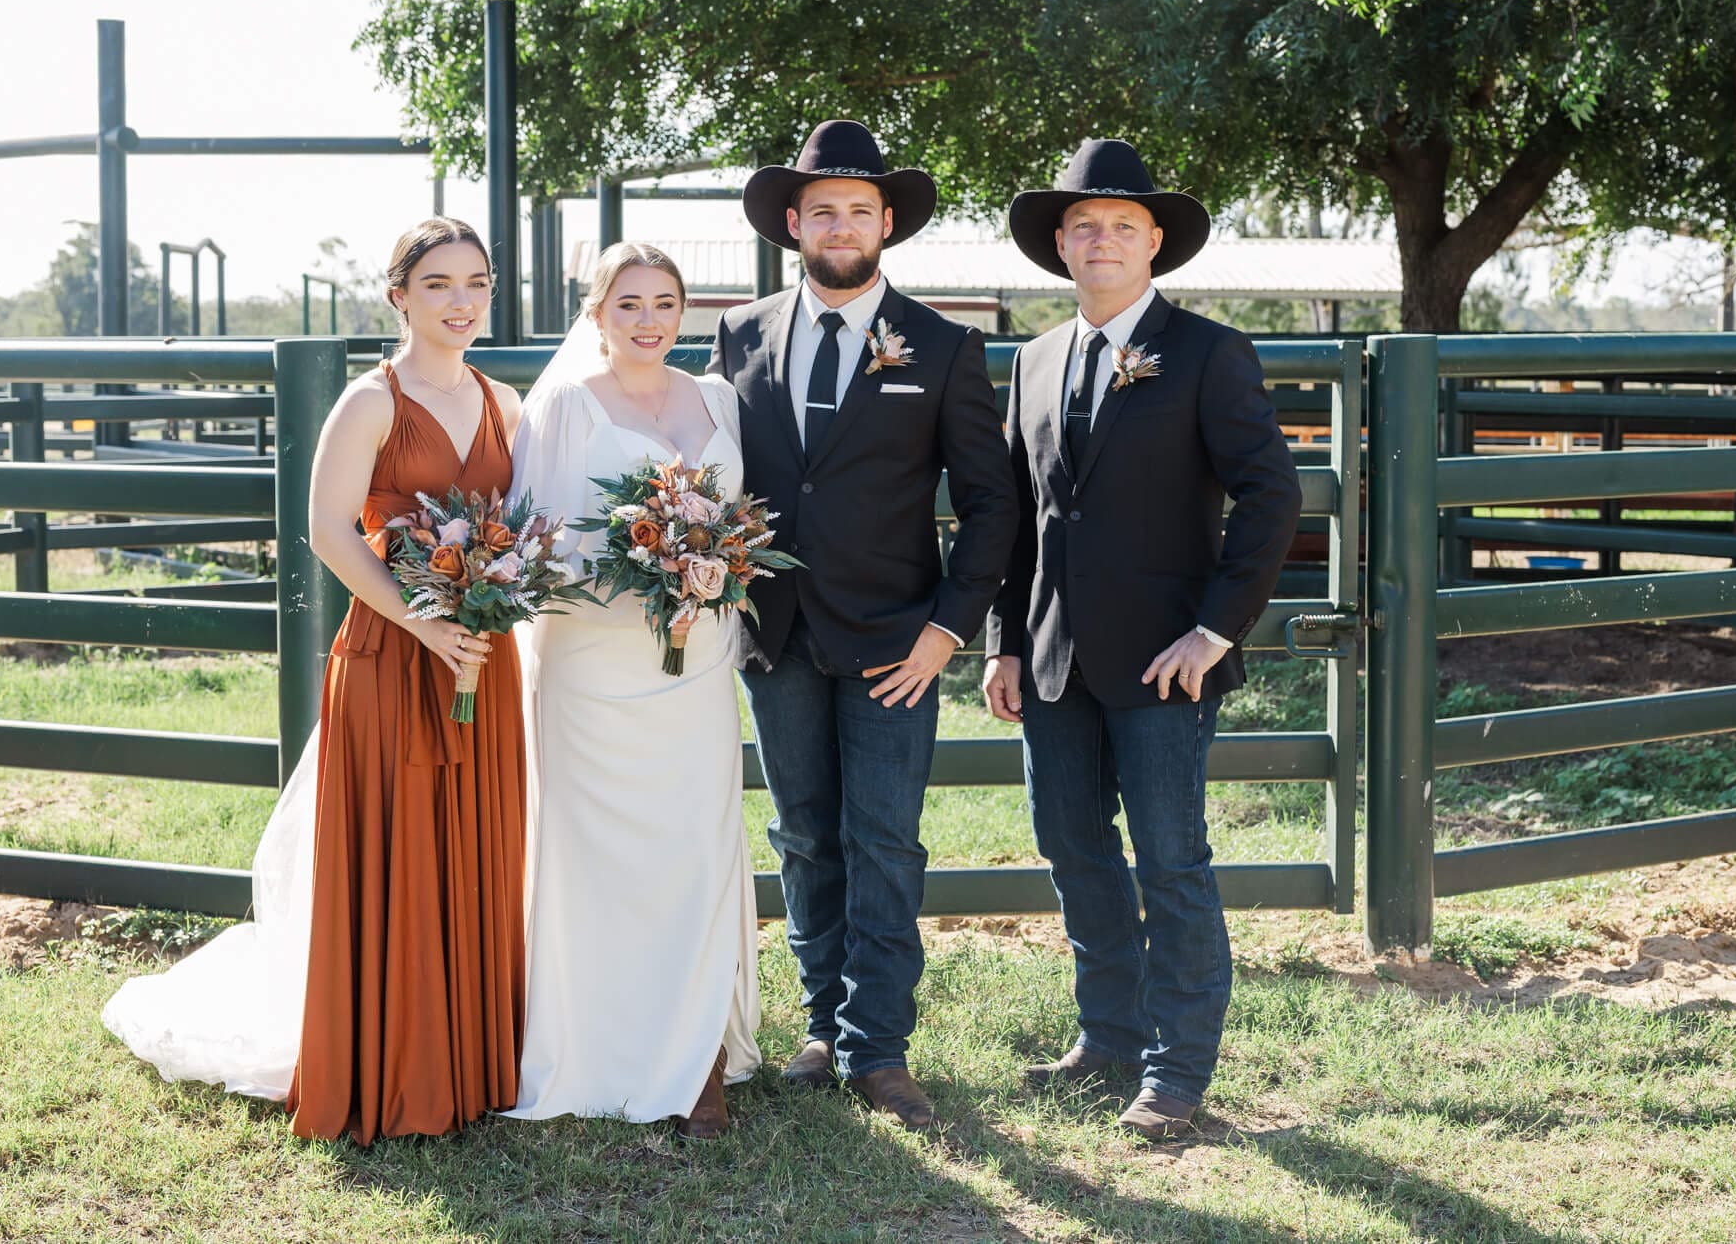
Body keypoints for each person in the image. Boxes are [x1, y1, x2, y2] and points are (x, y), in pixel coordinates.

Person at [104, 216, 529, 1145]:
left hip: (479, 656)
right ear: (399, 296)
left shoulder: (505, 401)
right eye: (439, 284)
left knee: (477, 846)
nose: (460, 301)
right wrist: (423, 622)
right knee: (395, 846)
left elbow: (524, 523)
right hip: (392, 653)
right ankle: (391, 1064)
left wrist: (487, 606)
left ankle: (471, 1060)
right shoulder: (371, 403)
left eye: (476, 283)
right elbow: (329, 530)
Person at [982, 139, 1301, 1139]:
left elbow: (1270, 497)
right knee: (1073, 849)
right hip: (1051, 660)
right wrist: (1001, 641)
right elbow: (1020, 516)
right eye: (1084, 225)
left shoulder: (1208, 352)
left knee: (1169, 861)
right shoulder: (1033, 360)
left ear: (1154, 241)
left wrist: (1214, 630)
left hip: (1168, 661)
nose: (1102, 240)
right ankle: (1108, 1038)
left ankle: (1177, 1071)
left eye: (1123, 225)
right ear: (1060, 246)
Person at [708, 120, 1016, 1131]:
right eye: (821, 211)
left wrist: (946, 632)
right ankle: (821, 1027)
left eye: (858, 210)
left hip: (896, 641)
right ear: (792, 224)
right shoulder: (740, 335)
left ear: (886, 224)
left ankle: (877, 1046)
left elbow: (991, 504)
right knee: (802, 834)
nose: (839, 226)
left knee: (882, 839)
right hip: (775, 634)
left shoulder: (942, 345)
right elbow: (714, 477)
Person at [503, 242, 760, 1139]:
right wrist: (643, 570)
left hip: (697, 664)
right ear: (596, 313)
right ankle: (598, 1042)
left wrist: (709, 569)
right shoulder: (567, 404)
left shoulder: (719, 398)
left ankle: (701, 1052)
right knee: (600, 851)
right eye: (628, 304)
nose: (649, 320)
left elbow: (743, 523)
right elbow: (534, 545)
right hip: (595, 666)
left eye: (664, 303)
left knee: (696, 843)